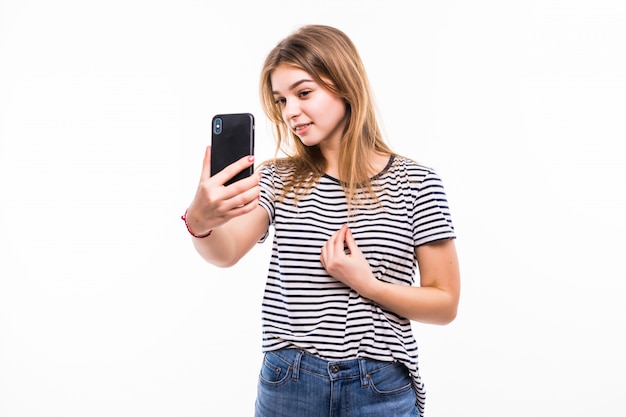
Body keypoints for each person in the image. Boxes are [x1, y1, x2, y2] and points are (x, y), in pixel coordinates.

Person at [182, 24, 460, 417]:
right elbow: (225, 252)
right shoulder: (278, 178)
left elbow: (445, 303)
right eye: (281, 100)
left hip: (379, 386)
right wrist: (200, 220)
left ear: (345, 85)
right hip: (290, 382)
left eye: (304, 92)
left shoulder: (417, 182)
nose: (290, 111)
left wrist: (368, 285)